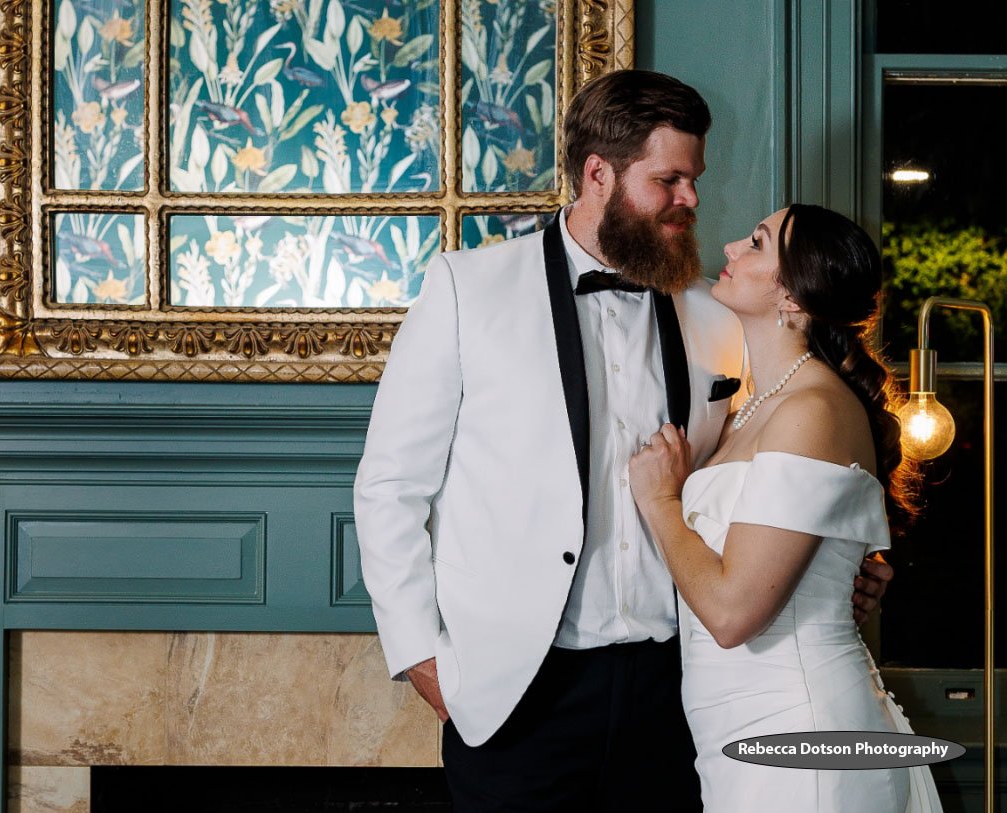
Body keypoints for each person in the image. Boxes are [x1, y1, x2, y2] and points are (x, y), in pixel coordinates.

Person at [354, 70, 891, 811]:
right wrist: (421, 655)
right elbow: (389, 487)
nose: (691, 200)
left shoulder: (720, 314)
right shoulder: (463, 290)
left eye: (693, 179)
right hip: (520, 692)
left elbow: (780, 471)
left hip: (673, 691)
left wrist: (836, 568)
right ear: (598, 173)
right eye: (669, 179)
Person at [628, 204, 942, 812]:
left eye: (756, 242)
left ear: (793, 297)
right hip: (733, 733)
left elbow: (731, 613)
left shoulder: (812, 411)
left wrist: (661, 500)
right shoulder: (752, 403)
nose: (729, 248)